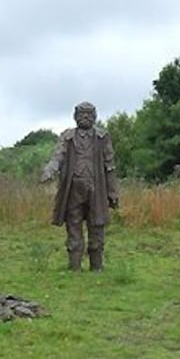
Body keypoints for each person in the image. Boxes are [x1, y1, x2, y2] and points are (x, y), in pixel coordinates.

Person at [40, 102, 120, 271]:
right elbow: (58, 156)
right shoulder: (67, 137)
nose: (85, 117)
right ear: (75, 116)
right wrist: (50, 168)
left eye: (89, 114)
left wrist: (113, 191)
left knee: (97, 226)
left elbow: (110, 165)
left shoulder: (102, 137)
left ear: (95, 116)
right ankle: (74, 267)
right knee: (73, 226)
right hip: (73, 189)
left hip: (96, 188)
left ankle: (96, 267)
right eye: (82, 114)